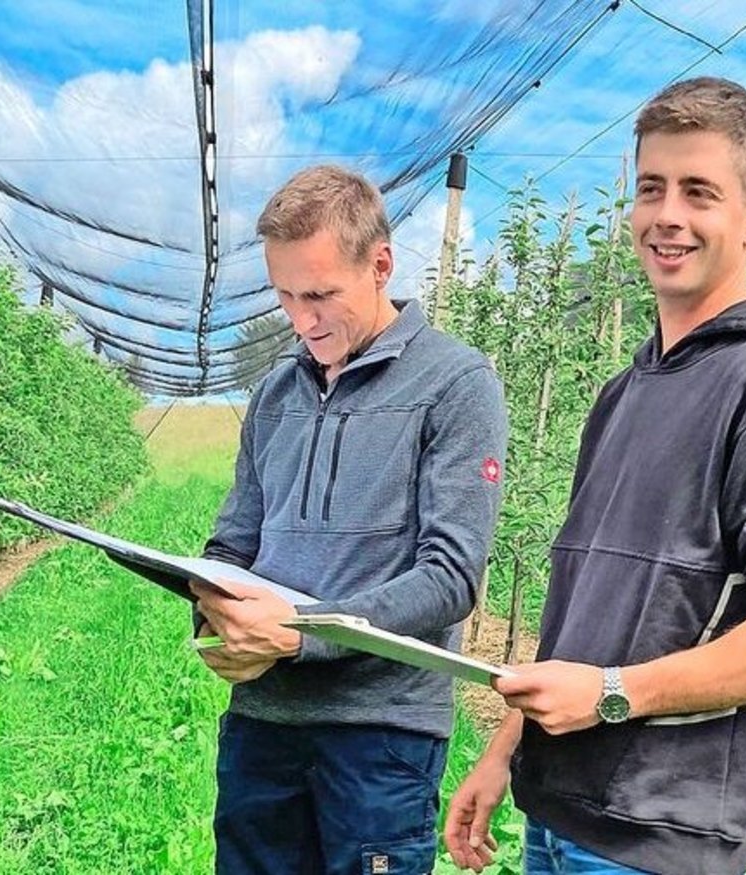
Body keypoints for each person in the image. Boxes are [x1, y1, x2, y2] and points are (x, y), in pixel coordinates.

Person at [444, 77, 746, 875]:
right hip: (560, 809)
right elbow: (585, 616)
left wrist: (612, 692)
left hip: (657, 840)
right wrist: (507, 748)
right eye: (651, 188)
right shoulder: (625, 392)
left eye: (699, 191)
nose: (667, 215)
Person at [191, 165, 508, 875]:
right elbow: (233, 540)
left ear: (381, 267)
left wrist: (302, 635)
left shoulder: (456, 385)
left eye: (321, 295)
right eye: (285, 296)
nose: (302, 320)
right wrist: (215, 617)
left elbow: (452, 576)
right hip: (262, 725)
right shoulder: (277, 391)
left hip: (380, 734)